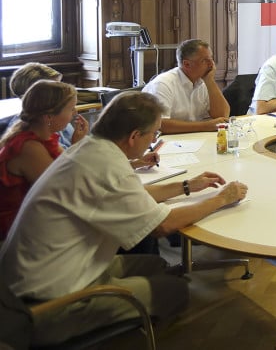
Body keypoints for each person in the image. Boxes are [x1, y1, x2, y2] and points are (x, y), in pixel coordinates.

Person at [0, 91, 247, 346]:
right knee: (178, 292)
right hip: (47, 302)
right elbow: (163, 226)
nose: (154, 140)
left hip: (33, 276)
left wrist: (186, 186)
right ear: (133, 137)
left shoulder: (91, 149)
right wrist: (221, 199)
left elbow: (129, 195)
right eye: (154, 134)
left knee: (157, 266)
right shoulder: (109, 167)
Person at [0, 81, 88, 239]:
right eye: (70, 108)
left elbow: (70, 170)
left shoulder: (46, 139)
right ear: (48, 117)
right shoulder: (29, 148)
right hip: (18, 230)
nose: (74, 113)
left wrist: (77, 144)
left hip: (40, 218)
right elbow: (60, 189)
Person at [141, 38, 231, 133]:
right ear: (187, 64)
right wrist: (204, 126)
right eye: (205, 60)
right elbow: (160, 124)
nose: (211, 65)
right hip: (166, 141)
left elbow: (223, 116)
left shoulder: (204, 81)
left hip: (191, 139)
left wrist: (210, 81)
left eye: (211, 59)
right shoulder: (163, 84)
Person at [0, 62, 67, 142]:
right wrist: (76, 143)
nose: (60, 94)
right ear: (31, 95)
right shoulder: (27, 131)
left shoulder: (57, 115)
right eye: (54, 91)